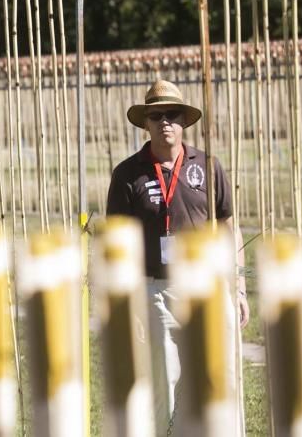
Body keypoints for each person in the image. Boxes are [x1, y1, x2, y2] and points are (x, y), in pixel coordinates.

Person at [105, 79, 248, 435]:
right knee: (164, 383)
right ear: (146, 123)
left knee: (220, 379)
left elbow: (228, 226)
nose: (164, 122)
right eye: (156, 116)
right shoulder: (127, 175)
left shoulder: (208, 166)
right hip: (157, 293)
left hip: (209, 288)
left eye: (171, 115)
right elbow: (118, 246)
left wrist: (239, 286)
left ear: (184, 120)